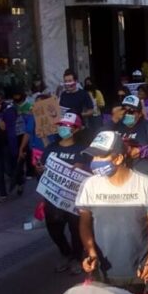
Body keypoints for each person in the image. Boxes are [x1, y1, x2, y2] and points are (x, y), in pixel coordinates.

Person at [76, 131, 148, 294]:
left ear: (118, 159)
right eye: (93, 157)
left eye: (100, 157)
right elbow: (84, 224)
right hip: (102, 273)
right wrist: (91, 253)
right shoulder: (89, 185)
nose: (94, 162)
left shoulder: (146, 185)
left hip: (138, 273)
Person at [37, 112, 90, 274]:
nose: (62, 128)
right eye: (61, 125)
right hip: (53, 199)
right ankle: (66, 253)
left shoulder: (84, 150)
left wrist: (83, 167)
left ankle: (77, 258)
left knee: (76, 230)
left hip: (75, 199)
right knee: (54, 228)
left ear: (75, 129)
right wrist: (39, 169)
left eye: (66, 126)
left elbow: (93, 172)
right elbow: (42, 169)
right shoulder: (51, 148)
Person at [109, 95, 148, 182]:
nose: (127, 114)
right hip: (118, 173)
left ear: (139, 114)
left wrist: (142, 152)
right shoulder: (115, 125)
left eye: (131, 111)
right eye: (124, 110)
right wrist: (113, 120)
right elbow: (97, 139)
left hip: (142, 174)